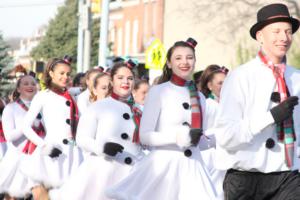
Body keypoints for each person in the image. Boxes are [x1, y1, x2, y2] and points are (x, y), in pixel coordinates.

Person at [107, 38, 217, 200]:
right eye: (178, 58)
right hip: (164, 169)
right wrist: (179, 137)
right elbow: (145, 135)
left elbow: (199, 140)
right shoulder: (158, 91)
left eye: (189, 57)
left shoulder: (200, 96)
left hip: (194, 167)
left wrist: (219, 137)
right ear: (169, 63)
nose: (184, 62)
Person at [214, 3, 300, 199]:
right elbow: (226, 135)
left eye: (288, 32)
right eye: (276, 31)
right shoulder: (240, 76)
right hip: (246, 180)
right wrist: (270, 117)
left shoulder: (297, 77)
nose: (284, 38)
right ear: (260, 36)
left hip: (288, 176)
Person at [48, 60, 144, 200]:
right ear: (111, 81)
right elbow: (82, 138)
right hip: (106, 172)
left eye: (130, 78)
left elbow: (147, 139)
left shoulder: (140, 110)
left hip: (135, 172)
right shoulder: (98, 107)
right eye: (120, 78)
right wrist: (102, 147)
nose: (126, 82)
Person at [21, 56, 83, 199]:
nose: (65, 77)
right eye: (61, 73)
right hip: (53, 152)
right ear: (51, 73)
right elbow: (25, 126)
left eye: (68, 74)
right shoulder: (43, 96)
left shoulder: (73, 95)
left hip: (74, 153)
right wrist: (44, 145)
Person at [0, 75, 40, 199]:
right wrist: (27, 125)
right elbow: (9, 136)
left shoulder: (42, 107)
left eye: (33, 84)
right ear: (18, 89)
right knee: (13, 197)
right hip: (17, 159)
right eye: (26, 83)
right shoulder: (11, 108)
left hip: (38, 159)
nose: (30, 86)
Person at [198, 64, 228, 199]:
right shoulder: (207, 105)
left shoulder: (230, 105)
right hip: (210, 155)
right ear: (210, 86)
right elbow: (201, 132)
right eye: (220, 83)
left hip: (227, 153)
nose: (224, 86)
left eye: (226, 82)